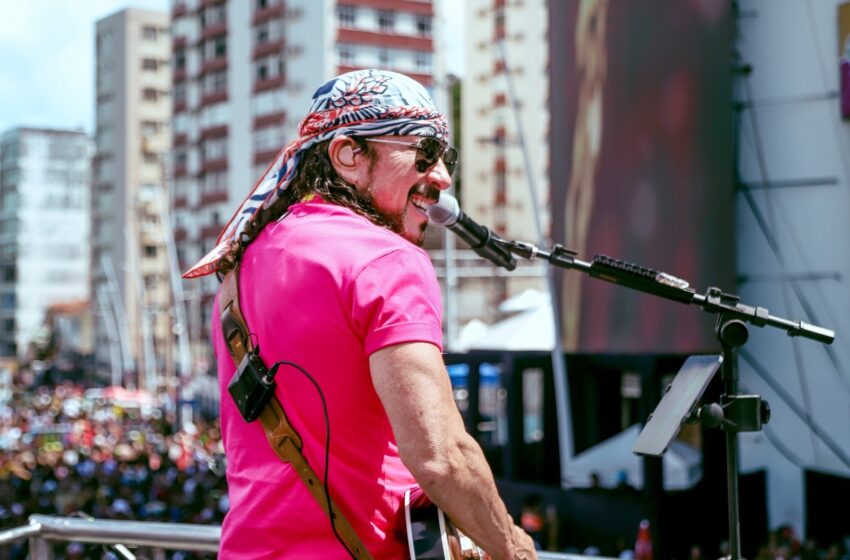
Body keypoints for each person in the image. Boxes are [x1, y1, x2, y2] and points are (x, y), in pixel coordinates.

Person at [184, 69, 537, 559]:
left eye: (445, 157)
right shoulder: (387, 261)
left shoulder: (239, 268)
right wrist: (515, 548)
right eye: (425, 152)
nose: (443, 177)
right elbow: (443, 458)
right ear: (349, 155)